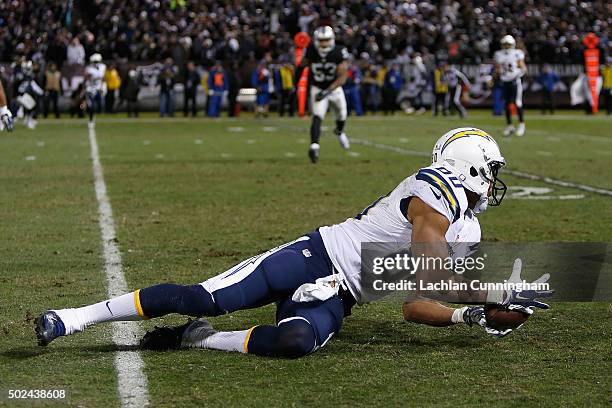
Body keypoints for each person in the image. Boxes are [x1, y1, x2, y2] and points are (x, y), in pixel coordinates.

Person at [35, 128, 552, 357]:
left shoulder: (467, 227)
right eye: (493, 169)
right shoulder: (431, 191)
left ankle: (199, 339)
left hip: (339, 294)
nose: (496, 180)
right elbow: (431, 275)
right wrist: (493, 293)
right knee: (204, 296)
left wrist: (473, 315)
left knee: (295, 343)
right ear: (470, 166)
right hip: (315, 255)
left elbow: (416, 304)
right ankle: (75, 317)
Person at [296, 26, 350, 163]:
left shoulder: (339, 52)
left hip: (334, 88)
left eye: (326, 40)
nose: (324, 44)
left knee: (342, 115)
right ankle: (314, 146)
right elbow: (302, 65)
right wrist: (295, 82)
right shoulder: (312, 50)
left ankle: (339, 131)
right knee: (317, 116)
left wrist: (327, 91)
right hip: (318, 87)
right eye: (321, 41)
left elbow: (343, 77)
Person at [494, 35, 527, 136]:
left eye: (508, 44)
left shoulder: (517, 53)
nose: (507, 46)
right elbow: (498, 69)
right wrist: (494, 77)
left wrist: (518, 74)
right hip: (505, 81)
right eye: (505, 44)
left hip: (515, 81)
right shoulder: (498, 54)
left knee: (517, 103)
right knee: (506, 104)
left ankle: (521, 125)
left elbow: (523, 68)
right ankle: (510, 126)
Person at [84, 53, 106, 125]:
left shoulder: (103, 67)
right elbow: (87, 78)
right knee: (92, 106)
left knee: (100, 105)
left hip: (99, 88)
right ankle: (91, 118)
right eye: (95, 62)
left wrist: (102, 87)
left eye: (97, 61)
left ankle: (92, 115)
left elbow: (103, 78)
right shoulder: (89, 68)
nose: (96, 63)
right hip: (91, 88)